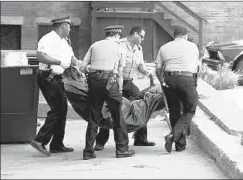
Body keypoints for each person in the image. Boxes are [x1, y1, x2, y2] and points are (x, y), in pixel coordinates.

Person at [94, 25, 156, 151]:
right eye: (142, 36)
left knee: (141, 105)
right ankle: (100, 141)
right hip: (115, 81)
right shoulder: (119, 45)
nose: (143, 39)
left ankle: (140, 138)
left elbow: (141, 65)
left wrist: (148, 72)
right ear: (135, 34)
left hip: (128, 82)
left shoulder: (139, 48)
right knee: (109, 108)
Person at [79, 25, 135, 160]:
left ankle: (88, 151)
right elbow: (120, 73)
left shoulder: (94, 45)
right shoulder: (120, 49)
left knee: (93, 117)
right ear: (117, 35)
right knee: (117, 116)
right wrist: (119, 91)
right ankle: (121, 149)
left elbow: (82, 68)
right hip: (111, 82)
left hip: (93, 82)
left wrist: (94, 69)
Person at [30, 16, 82, 156]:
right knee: (57, 109)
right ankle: (40, 140)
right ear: (63, 26)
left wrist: (80, 64)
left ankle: (57, 144)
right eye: (69, 26)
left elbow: (71, 58)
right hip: (48, 77)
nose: (70, 29)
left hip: (59, 78)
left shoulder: (65, 41)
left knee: (62, 109)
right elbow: (40, 56)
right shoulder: (48, 39)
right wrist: (59, 62)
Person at [155, 25, 200, 153]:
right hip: (187, 79)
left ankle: (180, 145)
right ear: (185, 36)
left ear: (174, 36)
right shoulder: (193, 46)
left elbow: (157, 68)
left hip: (170, 80)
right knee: (190, 109)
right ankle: (173, 136)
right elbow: (196, 67)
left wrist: (162, 81)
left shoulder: (164, 47)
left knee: (174, 111)